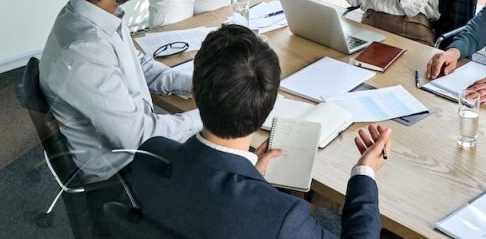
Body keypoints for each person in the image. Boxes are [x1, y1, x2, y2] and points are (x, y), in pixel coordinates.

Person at [126, 25, 391, 238]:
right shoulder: (283, 218)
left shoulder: (150, 155)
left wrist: (252, 178)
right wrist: (364, 174)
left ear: (194, 95)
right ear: (269, 107)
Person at [39, 0, 201, 184]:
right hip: (122, 172)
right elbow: (138, 137)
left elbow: (138, 65)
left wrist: (193, 83)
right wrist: (210, 116)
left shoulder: (93, 14)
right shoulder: (84, 53)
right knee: (228, 163)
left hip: (132, 144)